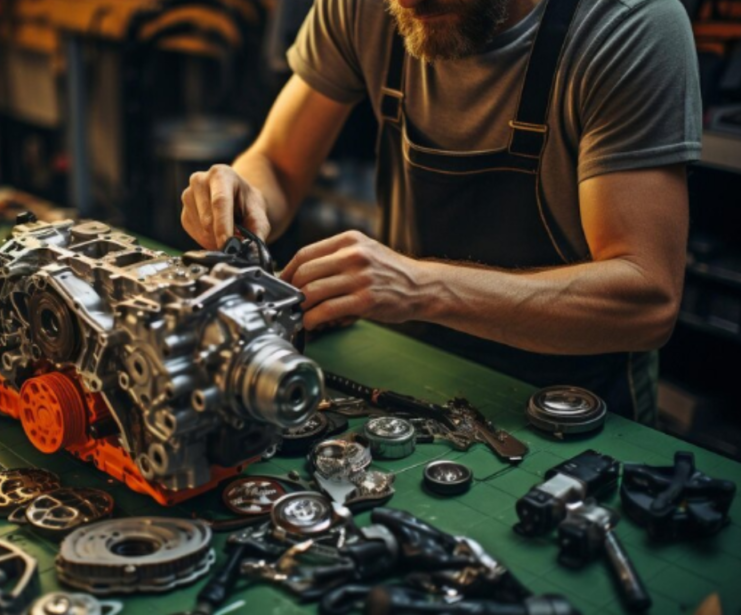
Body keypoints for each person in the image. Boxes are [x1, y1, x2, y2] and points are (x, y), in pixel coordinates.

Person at [179, 0, 702, 425]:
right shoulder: (372, 8)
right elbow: (276, 162)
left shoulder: (630, 25)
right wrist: (243, 194)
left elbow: (647, 299)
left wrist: (422, 287)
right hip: (412, 371)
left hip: (571, 405)